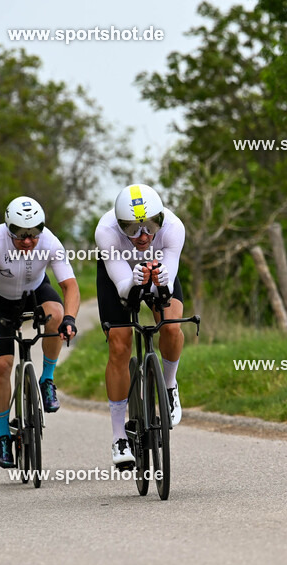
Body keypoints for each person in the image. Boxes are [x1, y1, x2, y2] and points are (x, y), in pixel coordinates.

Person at [0, 196, 79, 468]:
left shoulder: (50, 241)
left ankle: (47, 379)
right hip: (0, 300)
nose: (28, 241)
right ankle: (3, 436)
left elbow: (70, 285)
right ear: (8, 228)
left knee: (56, 314)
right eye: (20, 235)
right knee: (2, 365)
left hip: (35, 292)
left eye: (33, 234)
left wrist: (70, 319)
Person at [94, 183, 185, 468]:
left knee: (171, 325)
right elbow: (123, 288)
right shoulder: (106, 231)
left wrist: (161, 283)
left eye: (150, 226)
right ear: (120, 225)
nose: (143, 236)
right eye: (132, 229)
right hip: (119, 277)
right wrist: (134, 281)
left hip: (159, 271)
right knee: (119, 346)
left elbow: (167, 290)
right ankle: (119, 436)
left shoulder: (173, 228)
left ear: (160, 219)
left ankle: (169, 386)